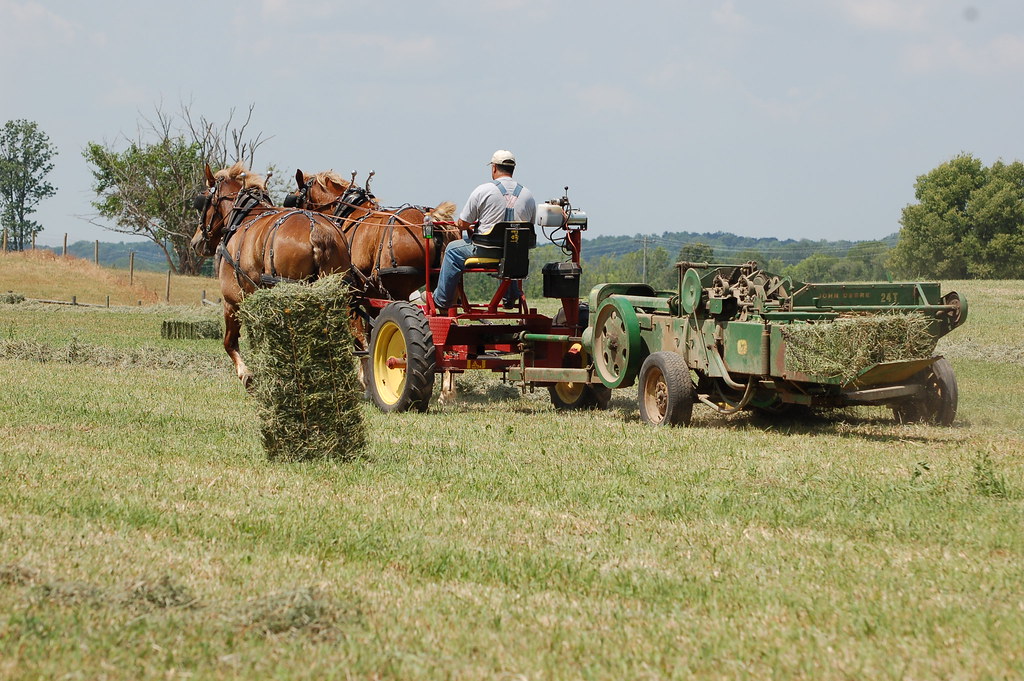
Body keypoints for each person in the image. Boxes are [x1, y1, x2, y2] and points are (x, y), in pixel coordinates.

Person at [432, 150, 537, 311]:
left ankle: (441, 300)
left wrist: (467, 226)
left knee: (452, 250)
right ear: (512, 169)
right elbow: (528, 226)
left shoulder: (483, 190)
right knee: (509, 250)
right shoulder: (528, 195)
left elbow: (463, 223)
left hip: (485, 251)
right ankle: (510, 295)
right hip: (516, 255)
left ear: (494, 168)